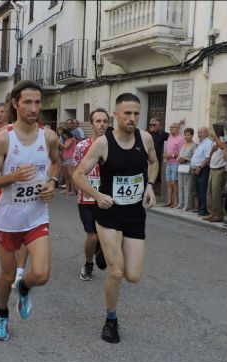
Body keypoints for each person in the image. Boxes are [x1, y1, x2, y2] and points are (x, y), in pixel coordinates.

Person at [73, 92, 158, 344]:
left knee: (133, 275)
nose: (132, 118)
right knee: (117, 272)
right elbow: (78, 175)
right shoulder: (103, 143)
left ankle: (102, 252)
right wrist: (97, 195)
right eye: (127, 114)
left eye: (136, 114)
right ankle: (111, 320)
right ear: (116, 115)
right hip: (108, 213)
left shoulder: (145, 138)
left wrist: (150, 185)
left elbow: (154, 162)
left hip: (134, 215)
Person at [0, 80, 61, 341]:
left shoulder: (48, 136)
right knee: (6, 276)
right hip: (8, 219)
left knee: (41, 274)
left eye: (38, 102)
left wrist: (53, 182)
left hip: (37, 216)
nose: (33, 107)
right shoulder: (4, 139)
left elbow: (55, 163)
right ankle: (2, 316)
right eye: (27, 102)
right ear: (15, 104)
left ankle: (25, 286)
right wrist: (14, 176)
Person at [72, 108, 109, 281]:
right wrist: (80, 187)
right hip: (86, 197)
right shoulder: (81, 146)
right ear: (92, 124)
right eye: (98, 121)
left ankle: (100, 247)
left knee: (105, 233)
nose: (101, 124)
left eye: (104, 121)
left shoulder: (113, 145)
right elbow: (75, 170)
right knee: (92, 235)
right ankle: (88, 264)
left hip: (106, 198)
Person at [203, 127, 227, 223]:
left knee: (217, 193)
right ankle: (212, 213)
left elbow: (222, 146)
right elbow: (211, 154)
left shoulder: (224, 139)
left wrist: (215, 137)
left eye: (213, 131)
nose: (212, 133)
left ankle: (218, 214)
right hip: (212, 168)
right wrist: (212, 150)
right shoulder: (215, 141)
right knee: (210, 192)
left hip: (219, 169)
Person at [190, 127, 213, 216]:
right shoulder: (201, 143)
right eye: (198, 132)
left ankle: (204, 209)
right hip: (197, 168)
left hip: (203, 169)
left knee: (203, 189)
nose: (199, 134)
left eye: (201, 133)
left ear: (207, 133)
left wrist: (199, 167)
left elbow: (207, 158)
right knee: (198, 190)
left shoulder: (208, 143)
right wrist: (193, 167)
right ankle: (200, 208)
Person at [163, 121, 184, 208]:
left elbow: (181, 152)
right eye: (170, 127)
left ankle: (175, 202)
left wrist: (171, 155)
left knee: (174, 182)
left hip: (176, 163)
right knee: (168, 182)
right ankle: (169, 201)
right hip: (168, 163)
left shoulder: (181, 138)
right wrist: (165, 155)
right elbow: (167, 149)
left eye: (173, 127)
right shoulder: (170, 137)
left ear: (178, 128)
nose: (171, 129)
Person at [148, 118, 168, 197]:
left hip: (155, 160)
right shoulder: (147, 133)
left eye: (154, 125)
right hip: (146, 159)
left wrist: (179, 124)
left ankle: (152, 193)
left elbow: (173, 137)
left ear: (158, 126)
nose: (152, 126)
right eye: (151, 124)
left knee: (154, 176)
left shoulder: (162, 134)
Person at [177, 127, 196, 211]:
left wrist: (186, 159)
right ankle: (181, 203)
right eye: (185, 135)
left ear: (192, 135)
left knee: (187, 186)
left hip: (188, 167)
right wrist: (179, 158)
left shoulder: (194, 145)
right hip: (181, 167)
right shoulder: (184, 144)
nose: (186, 136)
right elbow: (179, 155)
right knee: (180, 185)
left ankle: (187, 205)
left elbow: (195, 158)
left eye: (188, 135)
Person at [59, 129, 76, 195]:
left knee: (70, 174)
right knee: (65, 174)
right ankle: (67, 189)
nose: (64, 136)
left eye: (64, 135)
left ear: (67, 134)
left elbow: (66, 147)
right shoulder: (67, 140)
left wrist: (58, 142)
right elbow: (64, 148)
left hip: (70, 158)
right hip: (65, 158)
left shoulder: (72, 139)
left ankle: (73, 190)